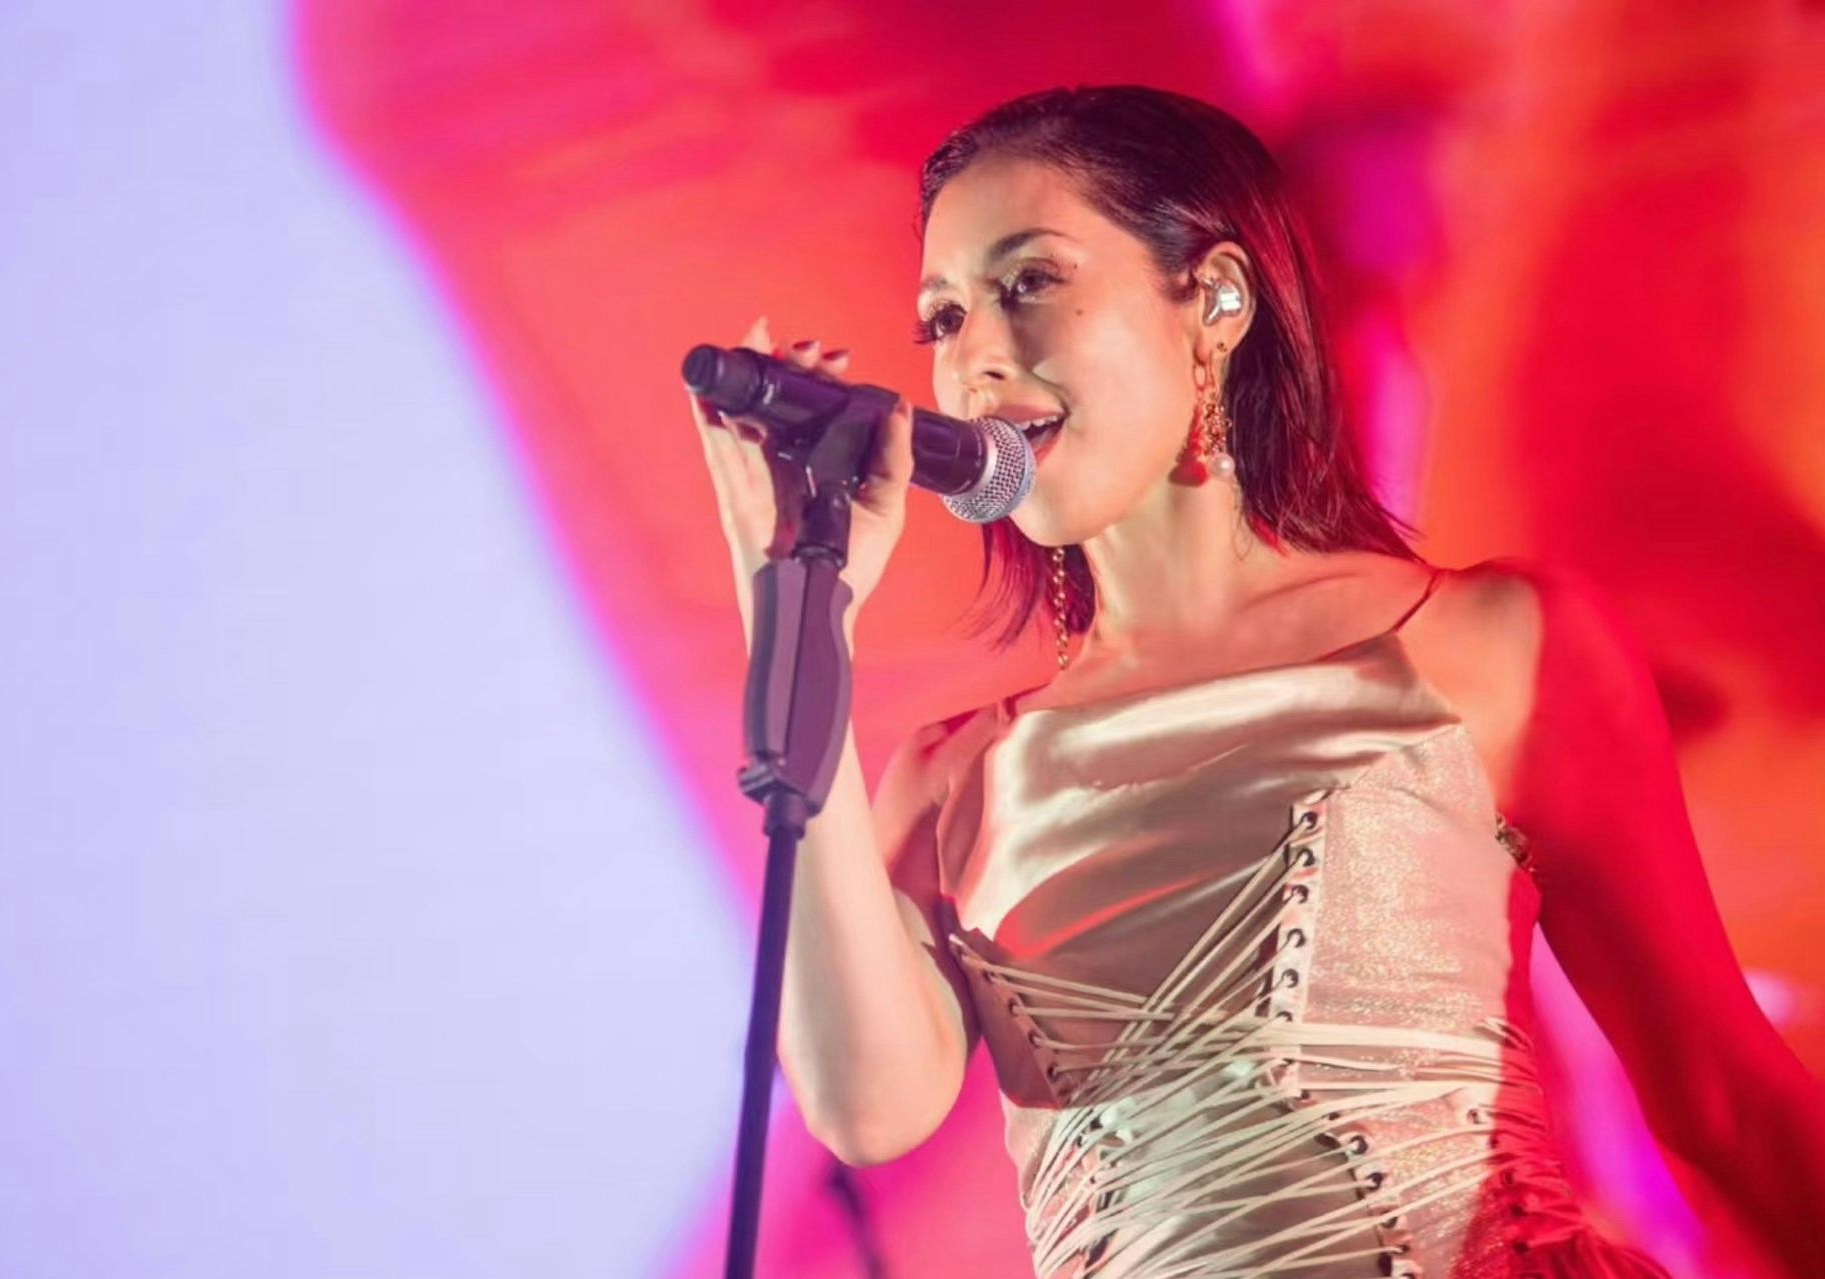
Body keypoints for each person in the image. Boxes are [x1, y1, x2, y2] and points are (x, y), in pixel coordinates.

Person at [688, 85, 1825, 1278]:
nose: (974, 358)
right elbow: (867, 1108)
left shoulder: (1493, 647)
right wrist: (795, 609)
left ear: (1216, 300)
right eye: (944, 317)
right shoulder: (960, 783)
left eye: (1029, 281)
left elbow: (1724, 1102)